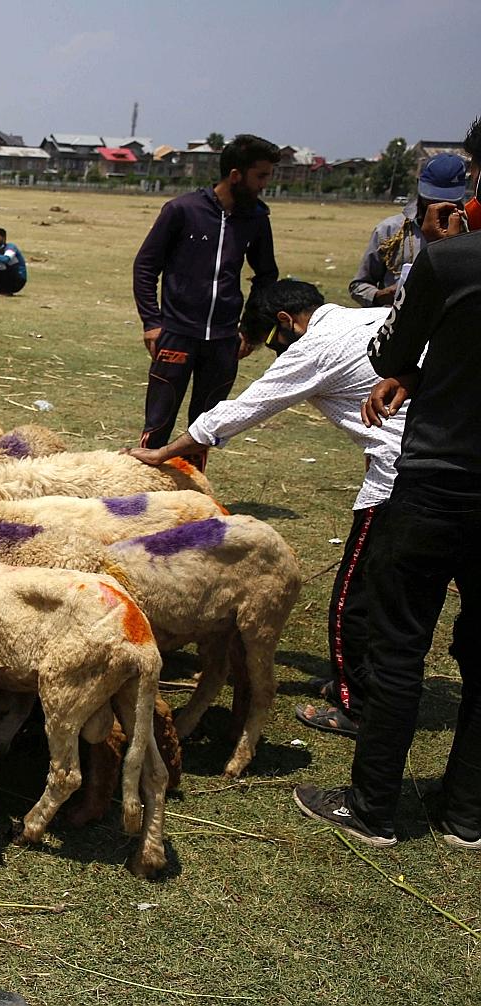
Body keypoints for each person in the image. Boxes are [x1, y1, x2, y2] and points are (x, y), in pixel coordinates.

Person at [128, 280, 401, 738]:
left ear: (285, 322)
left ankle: (356, 703)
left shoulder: (314, 346)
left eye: (273, 344)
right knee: (395, 589)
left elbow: (241, 410)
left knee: (355, 596)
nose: (278, 353)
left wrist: (161, 454)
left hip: (399, 476)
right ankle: (359, 682)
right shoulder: (370, 318)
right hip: (442, 458)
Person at [292, 227, 481, 852]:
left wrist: (411, 374)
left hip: (438, 483)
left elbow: (387, 350)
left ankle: (373, 808)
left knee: (398, 646)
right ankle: (466, 816)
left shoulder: (452, 259)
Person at [133, 133, 280, 469]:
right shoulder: (181, 210)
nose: (264, 184)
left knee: (205, 427)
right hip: (176, 334)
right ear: (235, 175)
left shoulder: (257, 218)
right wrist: (152, 322)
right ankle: (142, 497)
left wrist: (250, 330)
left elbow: (266, 275)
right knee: (157, 425)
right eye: (261, 176)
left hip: (224, 342)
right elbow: (145, 266)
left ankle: (191, 496)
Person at [348, 154, 469, 307]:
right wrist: (379, 296)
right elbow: (358, 285)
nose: (439, 205)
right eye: (432, 198)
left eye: (448, 199)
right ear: (419, 185)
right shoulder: (390, 231)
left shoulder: (470, 231)